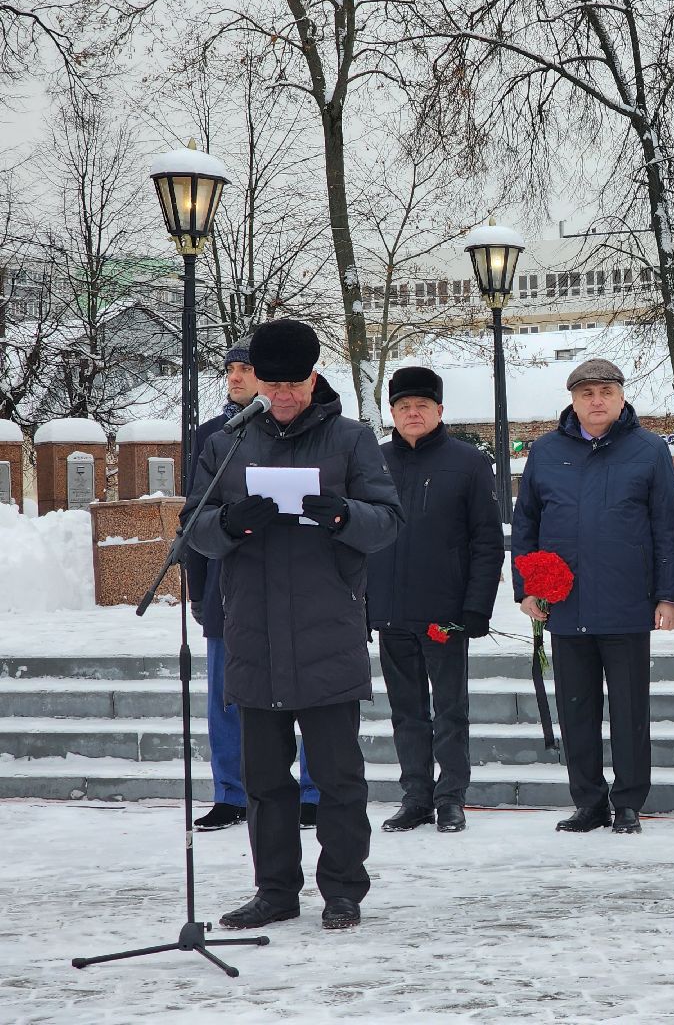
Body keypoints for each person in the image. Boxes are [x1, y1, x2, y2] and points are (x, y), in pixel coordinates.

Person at [182, 318, 402, 931]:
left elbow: (388, 521)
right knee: (263, 782)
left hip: (326, 628)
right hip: (252, 631)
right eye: (271, 382)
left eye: (294, 383)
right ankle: (275, 892)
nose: (283, 395)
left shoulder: (351, 440)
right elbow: (192, 528)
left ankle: (342, 890)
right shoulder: (227, 443)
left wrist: (343, 516)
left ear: (314, 376)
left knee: (337, 777)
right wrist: (229, 524)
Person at [511, 358, 674, 835]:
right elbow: (525, 523)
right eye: (587, 393)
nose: (597, 400)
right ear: (573, 400)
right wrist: (528, 587)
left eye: (606, 391)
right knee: (577, 708)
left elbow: (668, 528)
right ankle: (588, 800)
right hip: (565, 604)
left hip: (627, 602)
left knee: (630, 711)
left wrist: (669, 595)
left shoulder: (649, 450)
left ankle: (628, 802)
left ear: (622, 396)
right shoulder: (545, 452)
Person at [185, 337, 321, 833]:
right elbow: (195, 515)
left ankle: (311, 789)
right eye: (230, 370)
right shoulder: (212, 436)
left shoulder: (316, 430)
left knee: (312, 699)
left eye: (246, 369)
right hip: (231, 588)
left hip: (304, 590)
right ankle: (231, 792)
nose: (237, 377)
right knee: (228, 698)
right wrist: (198, 590)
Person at [368, 366, 504, 834]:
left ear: (439, 410)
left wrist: (476, 607)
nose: (412, 413)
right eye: (403, 406)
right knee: (405, 712)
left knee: (449, 708)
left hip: (444, 614)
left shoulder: (467, 462)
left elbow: (487, 541)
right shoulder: (373, 461)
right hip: (389, 611)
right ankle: (416, 797)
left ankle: (451, 798)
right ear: (392, 412)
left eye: (421, 406)